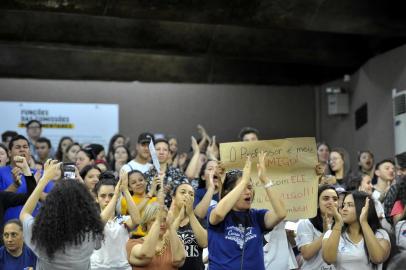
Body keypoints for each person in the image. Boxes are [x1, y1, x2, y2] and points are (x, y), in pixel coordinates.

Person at [20, 159, 104, 270]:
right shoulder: (91, 232)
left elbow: (24, 213)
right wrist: (82, 186)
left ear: (50, 204)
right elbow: (93, 214)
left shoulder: (40, 233)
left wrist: (44, 179)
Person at [207, 154, 287, 270]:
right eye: (243, 187)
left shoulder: (257, 216)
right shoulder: (215, 211)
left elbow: (281, 213)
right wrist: (244, 181)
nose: (248, 192)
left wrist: (265, 180)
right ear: (228, 192)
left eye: (250, 187)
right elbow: (219, 214)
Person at [322, 191, 391, 270]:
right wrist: (338, 224)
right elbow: (328, 259)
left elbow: (378, 258)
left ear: (363, 208)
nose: (344, 209)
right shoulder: (331, 233)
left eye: (350, 205)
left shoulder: (380, 234)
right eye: (343, 205)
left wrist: (364, 222)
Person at [91, 172, 140, 270]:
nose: (107, 199)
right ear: (96, 198)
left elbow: (137, 221)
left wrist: (125, 190)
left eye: (111, 195)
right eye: (103, 196)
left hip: (123, 267)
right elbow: (99, 224)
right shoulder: (91, 219)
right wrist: (115, 195)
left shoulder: (122, 219)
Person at [126, 189, 186, 269]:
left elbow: (179, 261)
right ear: (146, 223)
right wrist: (158, 220)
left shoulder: (174, 244)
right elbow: (145, 254)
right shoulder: (133, 243)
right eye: (153, 220)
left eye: (164, 219)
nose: (161, 224)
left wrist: (170, 226)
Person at [0, 135, 52, 223]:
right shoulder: (1, 172)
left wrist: (35, 188)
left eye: (25, 147)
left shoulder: (40, 174)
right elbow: (1, 200)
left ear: (30, 152)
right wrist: (15, 185)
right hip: (7, 228)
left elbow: (53, 200)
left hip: (35, 227)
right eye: (17, 147)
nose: (22, 150)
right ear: (9, 153)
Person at [295, 185, 338, 270]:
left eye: (335, 199)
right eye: (326, 199)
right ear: (317, 203)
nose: (331, 202)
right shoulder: (306, 223)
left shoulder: (341, 225)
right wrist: (325, 233)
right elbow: (306, 254)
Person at [172, 183, 207, 270]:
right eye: (183, 192)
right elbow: (164, 242)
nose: (187, 195)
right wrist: (179, 218)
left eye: (191, 194)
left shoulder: (199, 220)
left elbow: (204, 243)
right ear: (173, 198)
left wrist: (191, 214)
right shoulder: (166, 220)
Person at [144, 139, 189, 207]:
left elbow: (187, 195)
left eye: (165, 150)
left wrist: (172, 191)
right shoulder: (145, 176)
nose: (161, 152)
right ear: (152, 152)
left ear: (169, 153)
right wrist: (154, 191)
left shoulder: (178, 174)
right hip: (152, 214)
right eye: (158, 149)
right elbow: (141, 200)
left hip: (174, 213)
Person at [120, 170, 158, 238]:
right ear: (129, 188)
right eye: (133, 182)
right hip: (135, 238)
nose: (138, 183)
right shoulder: (126, 200)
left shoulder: (155, 200)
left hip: (153, 236)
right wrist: (151, 193)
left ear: (146, 182)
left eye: (141, 180)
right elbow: (134, 213)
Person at [193, 160, 222, 226]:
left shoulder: (227, 193)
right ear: (203, 176)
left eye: (217, 169)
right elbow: (198, 216)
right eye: (210, 169)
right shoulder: (197, 193)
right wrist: (211, 188)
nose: (215, 171)